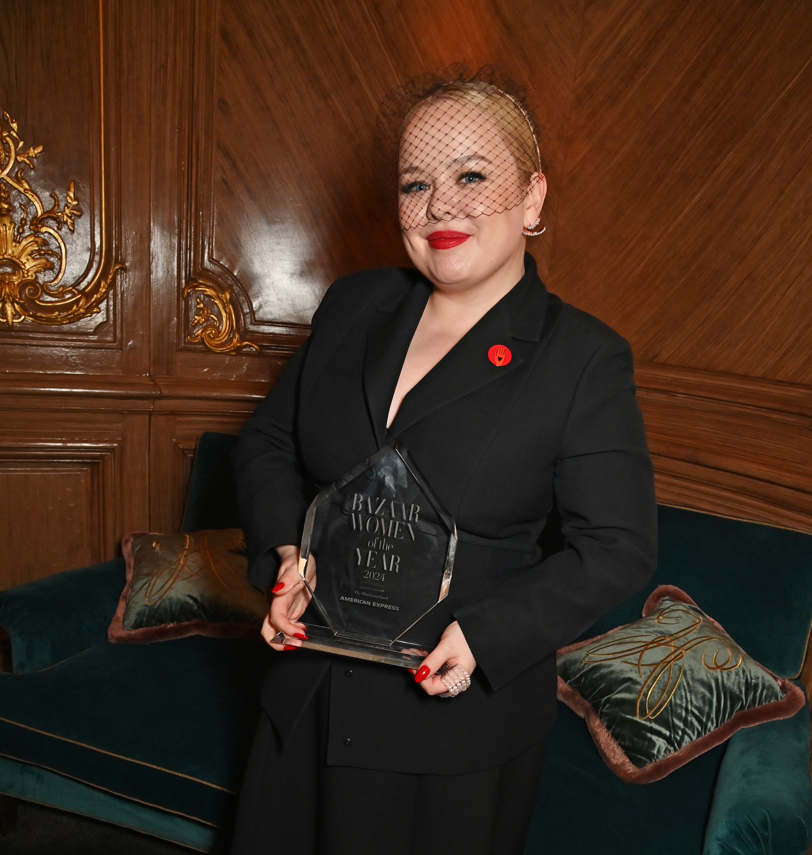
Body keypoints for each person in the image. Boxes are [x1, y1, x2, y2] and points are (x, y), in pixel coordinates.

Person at [229, 69, 657, 855]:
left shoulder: (583, 358)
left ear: (532, 198)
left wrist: (488, 635)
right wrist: (288, 552)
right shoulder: (354, 305)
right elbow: (268, 442)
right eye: (415, 183)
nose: (440, 207)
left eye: (471, 176)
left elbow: (617, 544)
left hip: (451, 731)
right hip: (306, 696)